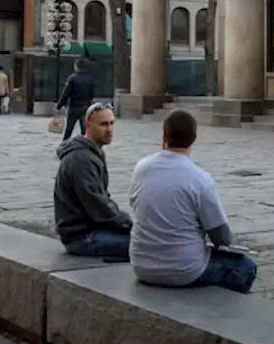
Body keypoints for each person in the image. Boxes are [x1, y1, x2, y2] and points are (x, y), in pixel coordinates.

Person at [129, 109, 257, 294]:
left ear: (164, 135)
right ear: (194, 138)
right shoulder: (200, 179)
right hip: (185, 271)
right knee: (245, 267)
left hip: (142, 266)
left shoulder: (141, 168)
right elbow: (220, 235)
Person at [53, 103, 133, 257]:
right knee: (149, 245)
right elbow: (98, 205)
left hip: (93, 228)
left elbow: (102, 200)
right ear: (88, 125)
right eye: (103, 124)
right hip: (82, 237)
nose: (109, 129)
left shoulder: (93, 153)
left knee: (149, 241)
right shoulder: (82, 160)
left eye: (112, 123)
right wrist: (129, 224)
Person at [56, 59, 97, 141]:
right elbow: (92, 95)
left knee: (69, 129)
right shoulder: (90, 79)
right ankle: (86, 144)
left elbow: (66, 94)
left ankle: (65, 144)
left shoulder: (72, 78)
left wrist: (59, 106)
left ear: (76, 67)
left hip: (74, 107)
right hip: (86, 107)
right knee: (84, 129)